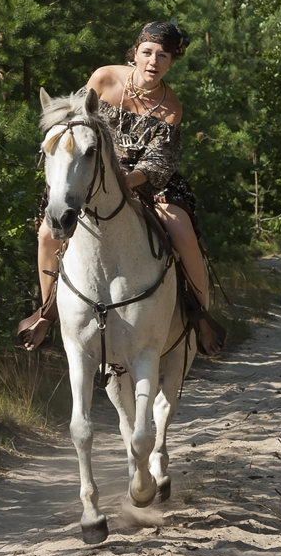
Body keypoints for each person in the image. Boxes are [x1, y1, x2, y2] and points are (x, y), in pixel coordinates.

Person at [18, 20, 225, 356]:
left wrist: (126, 182)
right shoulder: (104, 78)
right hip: (90, 170)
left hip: (144, 180)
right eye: (147, 52)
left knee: (182, 231)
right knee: (46, 234)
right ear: (136, 52)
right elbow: (77, 120)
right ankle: (49, 311)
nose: (153, 62)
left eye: (163, 56)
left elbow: (160, 160)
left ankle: (198, 313)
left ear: (172, 62)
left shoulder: (172, 107)